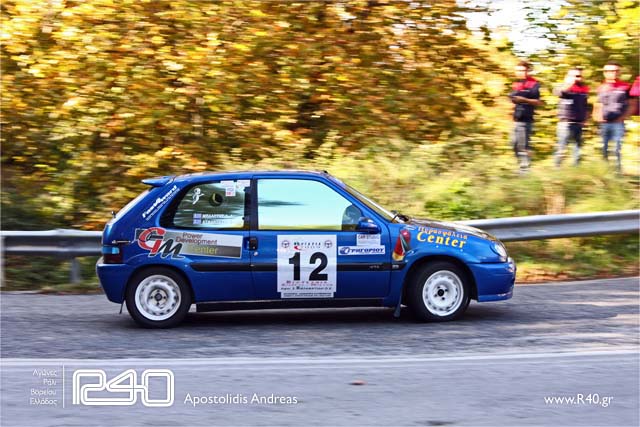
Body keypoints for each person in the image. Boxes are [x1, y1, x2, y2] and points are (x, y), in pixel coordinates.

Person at [592, 61, 632, 172]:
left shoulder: (626, 87)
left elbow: (633, 104)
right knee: (603, 148)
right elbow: (597, 103)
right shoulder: (601, 87)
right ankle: (605, 173)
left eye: (615, 71)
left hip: (618, 123)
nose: (613, 73)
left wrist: (623, 117)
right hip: (603, 123)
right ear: (604, 73)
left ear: (619, 72)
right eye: (609, 71)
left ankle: (617, 172)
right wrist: (596, 117)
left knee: (616, 148)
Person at [509, 61, 543, 173]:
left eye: (522, 70)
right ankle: (522, 166)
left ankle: (525, 170)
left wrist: (524, 100)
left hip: (526, 119)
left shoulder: (534, 84)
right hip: (516, 119)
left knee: (523, 146)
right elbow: (513, 97)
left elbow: (538, 102)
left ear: (528, 71)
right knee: (514, 144)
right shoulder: (517, 84)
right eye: (518, 71)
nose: (520, 73)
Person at [553, 67, 589, 166]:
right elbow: (558, 93)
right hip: (565, 123)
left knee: (577, 149)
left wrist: (585, 119)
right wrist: (569, 84)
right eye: (574, 76)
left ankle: (576, 169)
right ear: (567, 76)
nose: (577, 78)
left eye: (579, 76)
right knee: (561, 148)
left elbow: (585, 105)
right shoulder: (562, 86)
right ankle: (557, 168)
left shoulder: (583, 89)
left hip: (579, 123)